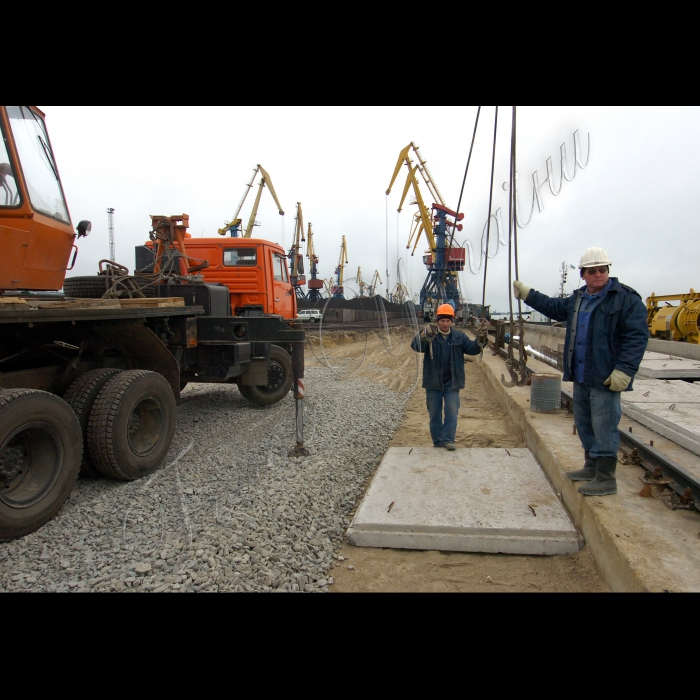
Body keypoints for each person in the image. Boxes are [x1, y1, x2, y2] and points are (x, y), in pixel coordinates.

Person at [513, 247, 648, 496]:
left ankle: (606, 478)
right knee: (585, 423)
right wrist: (528, 294)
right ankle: (591, 467)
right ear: (583, 274)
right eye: (593, 271)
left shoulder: (626, 300)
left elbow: (636, 338)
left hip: (606, 376)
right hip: (582, 374)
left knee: (604, 424)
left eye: (603, 270)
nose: (599, 275)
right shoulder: (579, 299)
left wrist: (624, 370)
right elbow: (553, 307)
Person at [411, 303, 486, 450]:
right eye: (442, 320)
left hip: (452, 382)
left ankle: (448, 440)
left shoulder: (459, 337)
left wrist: (481, 340)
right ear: (438, 320)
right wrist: (424, 335)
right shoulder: (431, 335)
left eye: (448, 321)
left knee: (452, 410)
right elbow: (416, 346)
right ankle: (438, 442)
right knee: (434, 414)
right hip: (433, 382)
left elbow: (472, 349)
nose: (445, 324)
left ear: (452, 321)